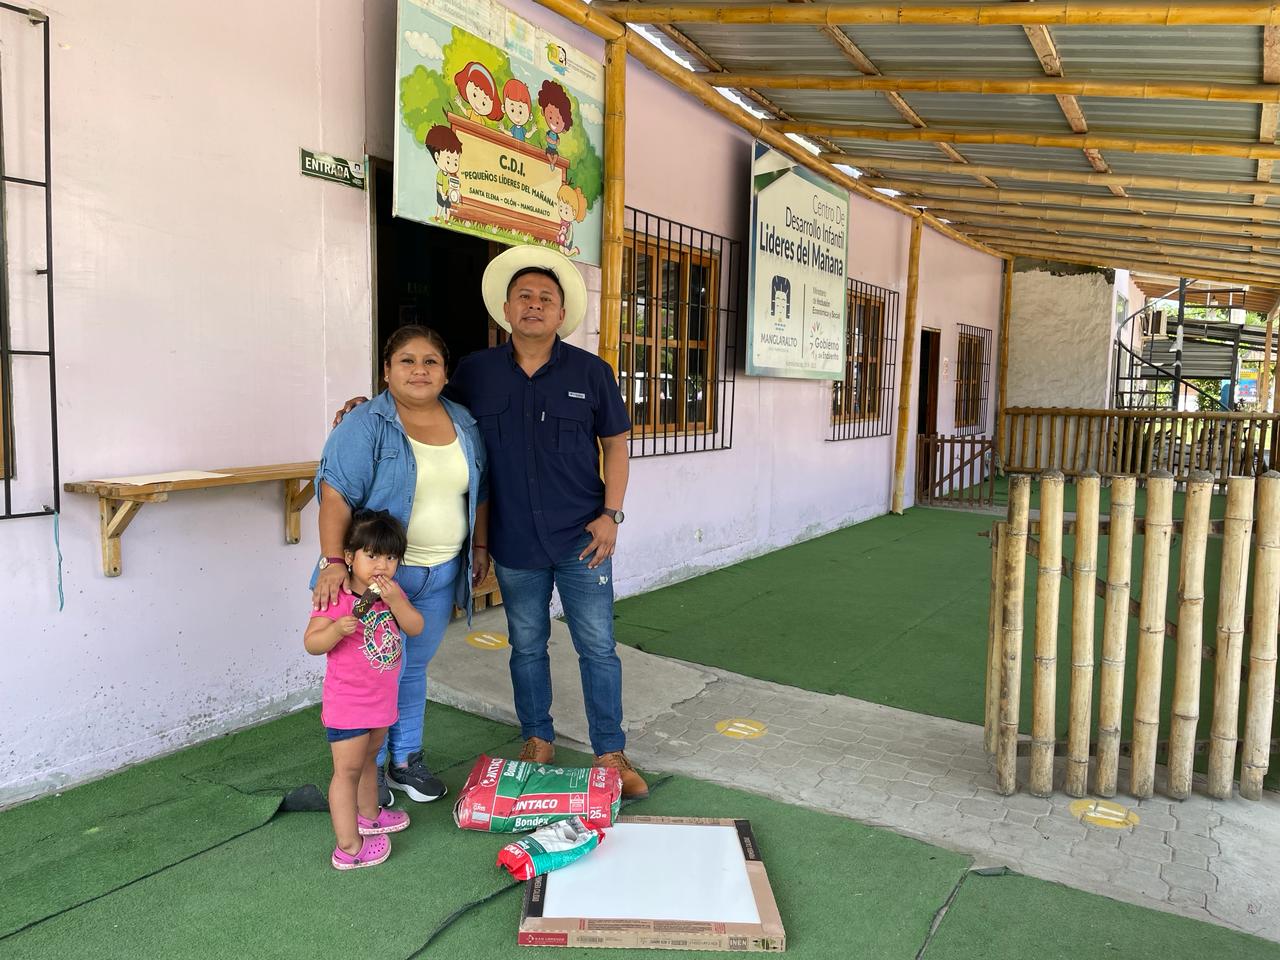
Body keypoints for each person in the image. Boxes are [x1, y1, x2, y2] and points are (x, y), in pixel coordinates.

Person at [453, 245, 645, 799]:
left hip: (584, 538)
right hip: (514, 541)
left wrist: (611, 515)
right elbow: (433, 417)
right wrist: (365, 406)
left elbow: (616, 446)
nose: (534, 305)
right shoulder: (474, 373)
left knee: (598, 647)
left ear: (562, 314)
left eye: (545, 298)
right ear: (506, 309)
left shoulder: (592, 372)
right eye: (524, 296)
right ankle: (537, 738)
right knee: (527, 646)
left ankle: (610, 751)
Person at [313, 325, 489, 809]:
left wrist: (478, 548)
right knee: (376, 671)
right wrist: (334, 561)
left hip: (440, 573)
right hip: (382, 576)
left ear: (445, 373)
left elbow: (479, 491)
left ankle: (405, 759)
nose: (419, 370)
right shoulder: (365, 423)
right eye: (407, 360)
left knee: (412, 670)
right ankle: (368, 771)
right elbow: (334, 494)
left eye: (431, 361)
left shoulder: (464, 422)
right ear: (386, 371)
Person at [305, 510, 419, 869]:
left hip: (381, 701)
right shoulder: (336, 597)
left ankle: (369, 817)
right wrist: (335, 630)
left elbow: (415, 627)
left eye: (391, 558)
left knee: (371, 760)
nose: (382, 565)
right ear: (350, 557)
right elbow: (312, 643)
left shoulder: (391, 595)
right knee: (347, 772)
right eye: (372, 556)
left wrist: (397, 601)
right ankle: (349, 847)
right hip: (349, 705)